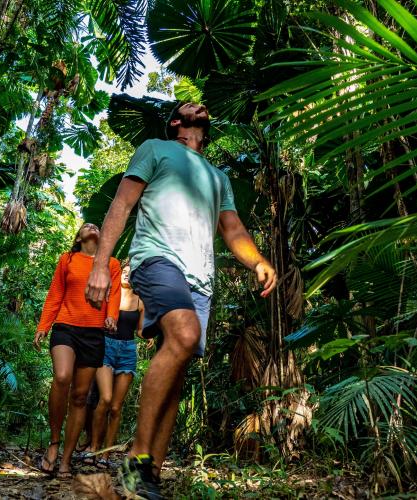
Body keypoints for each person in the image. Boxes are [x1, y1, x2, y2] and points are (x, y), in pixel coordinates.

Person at [85, 102, 277, 499]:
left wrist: (257, 260)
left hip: (200, 279)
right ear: (177, 121)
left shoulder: (218, 176)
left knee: (177, 372)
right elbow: (121, 205)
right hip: (156, 258)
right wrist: (101, 265)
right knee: (186, 334)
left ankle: (149, 476)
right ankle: (136, 459)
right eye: (189, 105)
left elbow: (232, 227)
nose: (200, 104)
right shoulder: (156, 148)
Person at [34, 223, 121, 478]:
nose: (91, 225)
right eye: (86, 225)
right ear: (78, 237)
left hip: (94, 333)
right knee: (62, 377)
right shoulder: (67, 259)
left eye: (95, 225)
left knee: (81, 397)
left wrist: (112, 316)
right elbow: (55, 294)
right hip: (65, 327)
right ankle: (53, 443)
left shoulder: (111, 265)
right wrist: (43, 326)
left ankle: (66, 459)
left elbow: (114, 294)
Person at [81, 262, 149, 468]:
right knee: (105, 399)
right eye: (124, 272)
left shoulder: (140, 301)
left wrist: (152, 334)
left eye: (130, 273)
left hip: (128, 351)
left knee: (117, 407)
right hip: (107, 347)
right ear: (117, 275)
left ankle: (106, 455)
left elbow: (141, 331)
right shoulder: (109, 296)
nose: (127, 276)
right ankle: (93, 447)